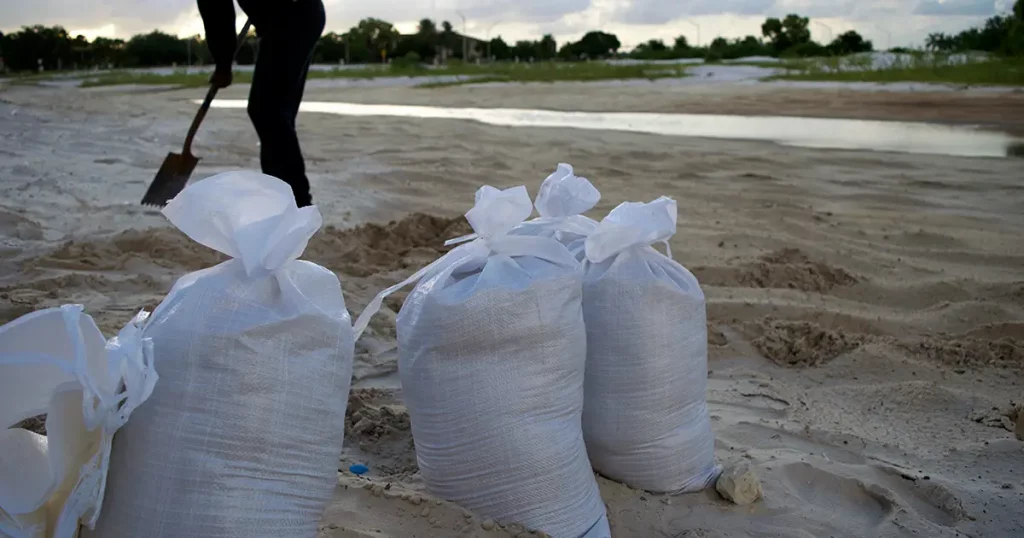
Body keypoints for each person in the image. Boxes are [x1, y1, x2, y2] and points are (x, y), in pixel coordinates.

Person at [198, 0, 325, 207]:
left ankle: (295, 203)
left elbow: (217, 13)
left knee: (267, 112)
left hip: (292, 16)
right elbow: (217, 11)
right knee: (275, 115)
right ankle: (287, 199)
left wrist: (223, 65)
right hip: (299, 15)